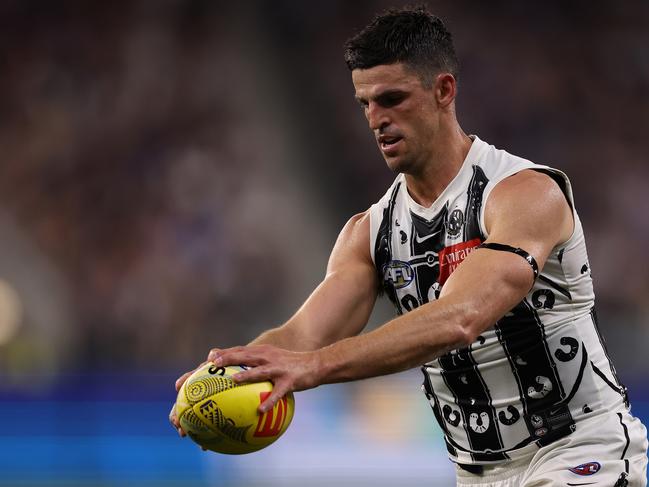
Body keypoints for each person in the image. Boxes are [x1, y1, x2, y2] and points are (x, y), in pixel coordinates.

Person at [170, 6, 648, 486]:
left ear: (444, 91)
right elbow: (301, 336)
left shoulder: (525, 194)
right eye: (366, 104)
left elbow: (460, 316)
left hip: (580, 450)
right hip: (478, 474)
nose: (377, 119)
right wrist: (222, 376)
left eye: (392, 98)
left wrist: (313, 367)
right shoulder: (369, 233)